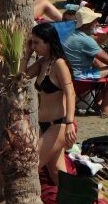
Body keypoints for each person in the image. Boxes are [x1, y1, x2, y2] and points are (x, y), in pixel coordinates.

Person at [24, 23, 76, 185]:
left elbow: (70, 93)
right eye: (32, 42)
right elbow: (21, 78)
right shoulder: (42, 63)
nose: (34, 46)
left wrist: (69, 123)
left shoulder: (59, 63)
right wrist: (27, 54)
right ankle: (82, 196)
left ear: (48, 41)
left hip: (59, 125)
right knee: (57, 174)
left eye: (37, 42)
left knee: (30, 165)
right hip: (44, 125)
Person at [63, 7, 108, 118]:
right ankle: (105, 106)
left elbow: (97, 47)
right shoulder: (85, 40)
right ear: (88, 24)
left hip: (70, 77)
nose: (97, 24)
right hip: (80, 79)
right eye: (95, 21)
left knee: (100, 64)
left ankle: (99, 101)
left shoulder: (73, 35)